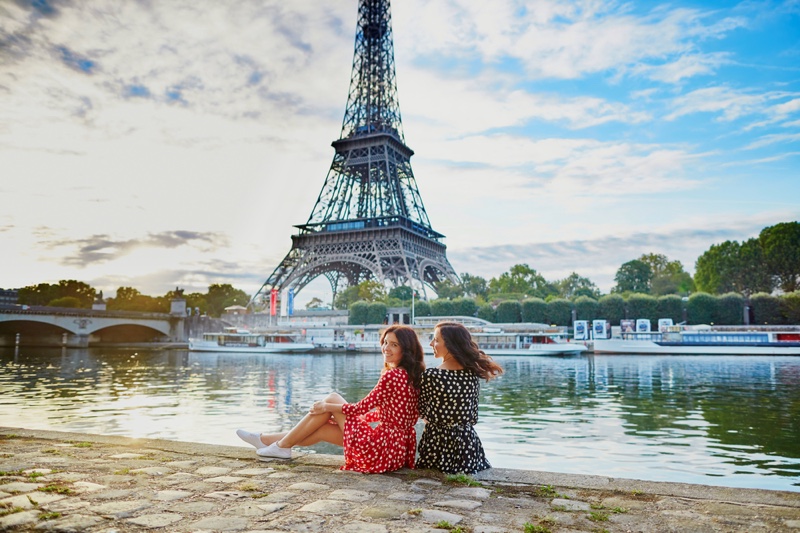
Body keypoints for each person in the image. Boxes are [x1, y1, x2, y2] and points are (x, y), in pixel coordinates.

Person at [236, 324, 425, 473]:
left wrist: (328, 407)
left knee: (333, 399)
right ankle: (266, 441)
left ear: (406, 349)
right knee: (322, 428)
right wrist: (341, 415)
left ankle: (280, 445)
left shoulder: (392, 375)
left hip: (380, 449)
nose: (386, 348)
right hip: (396, 451)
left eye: (394, 345)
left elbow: (361, 407)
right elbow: (389, 414)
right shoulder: (412, 375)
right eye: (385, 342)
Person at [416, 321, 503, 474]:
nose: (431, 343)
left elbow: (422, 412)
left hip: (437, 446)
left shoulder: (431, 376)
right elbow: (473, 416)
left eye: (436, 340)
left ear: (450, 345)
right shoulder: (472, 375)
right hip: (468, 446)